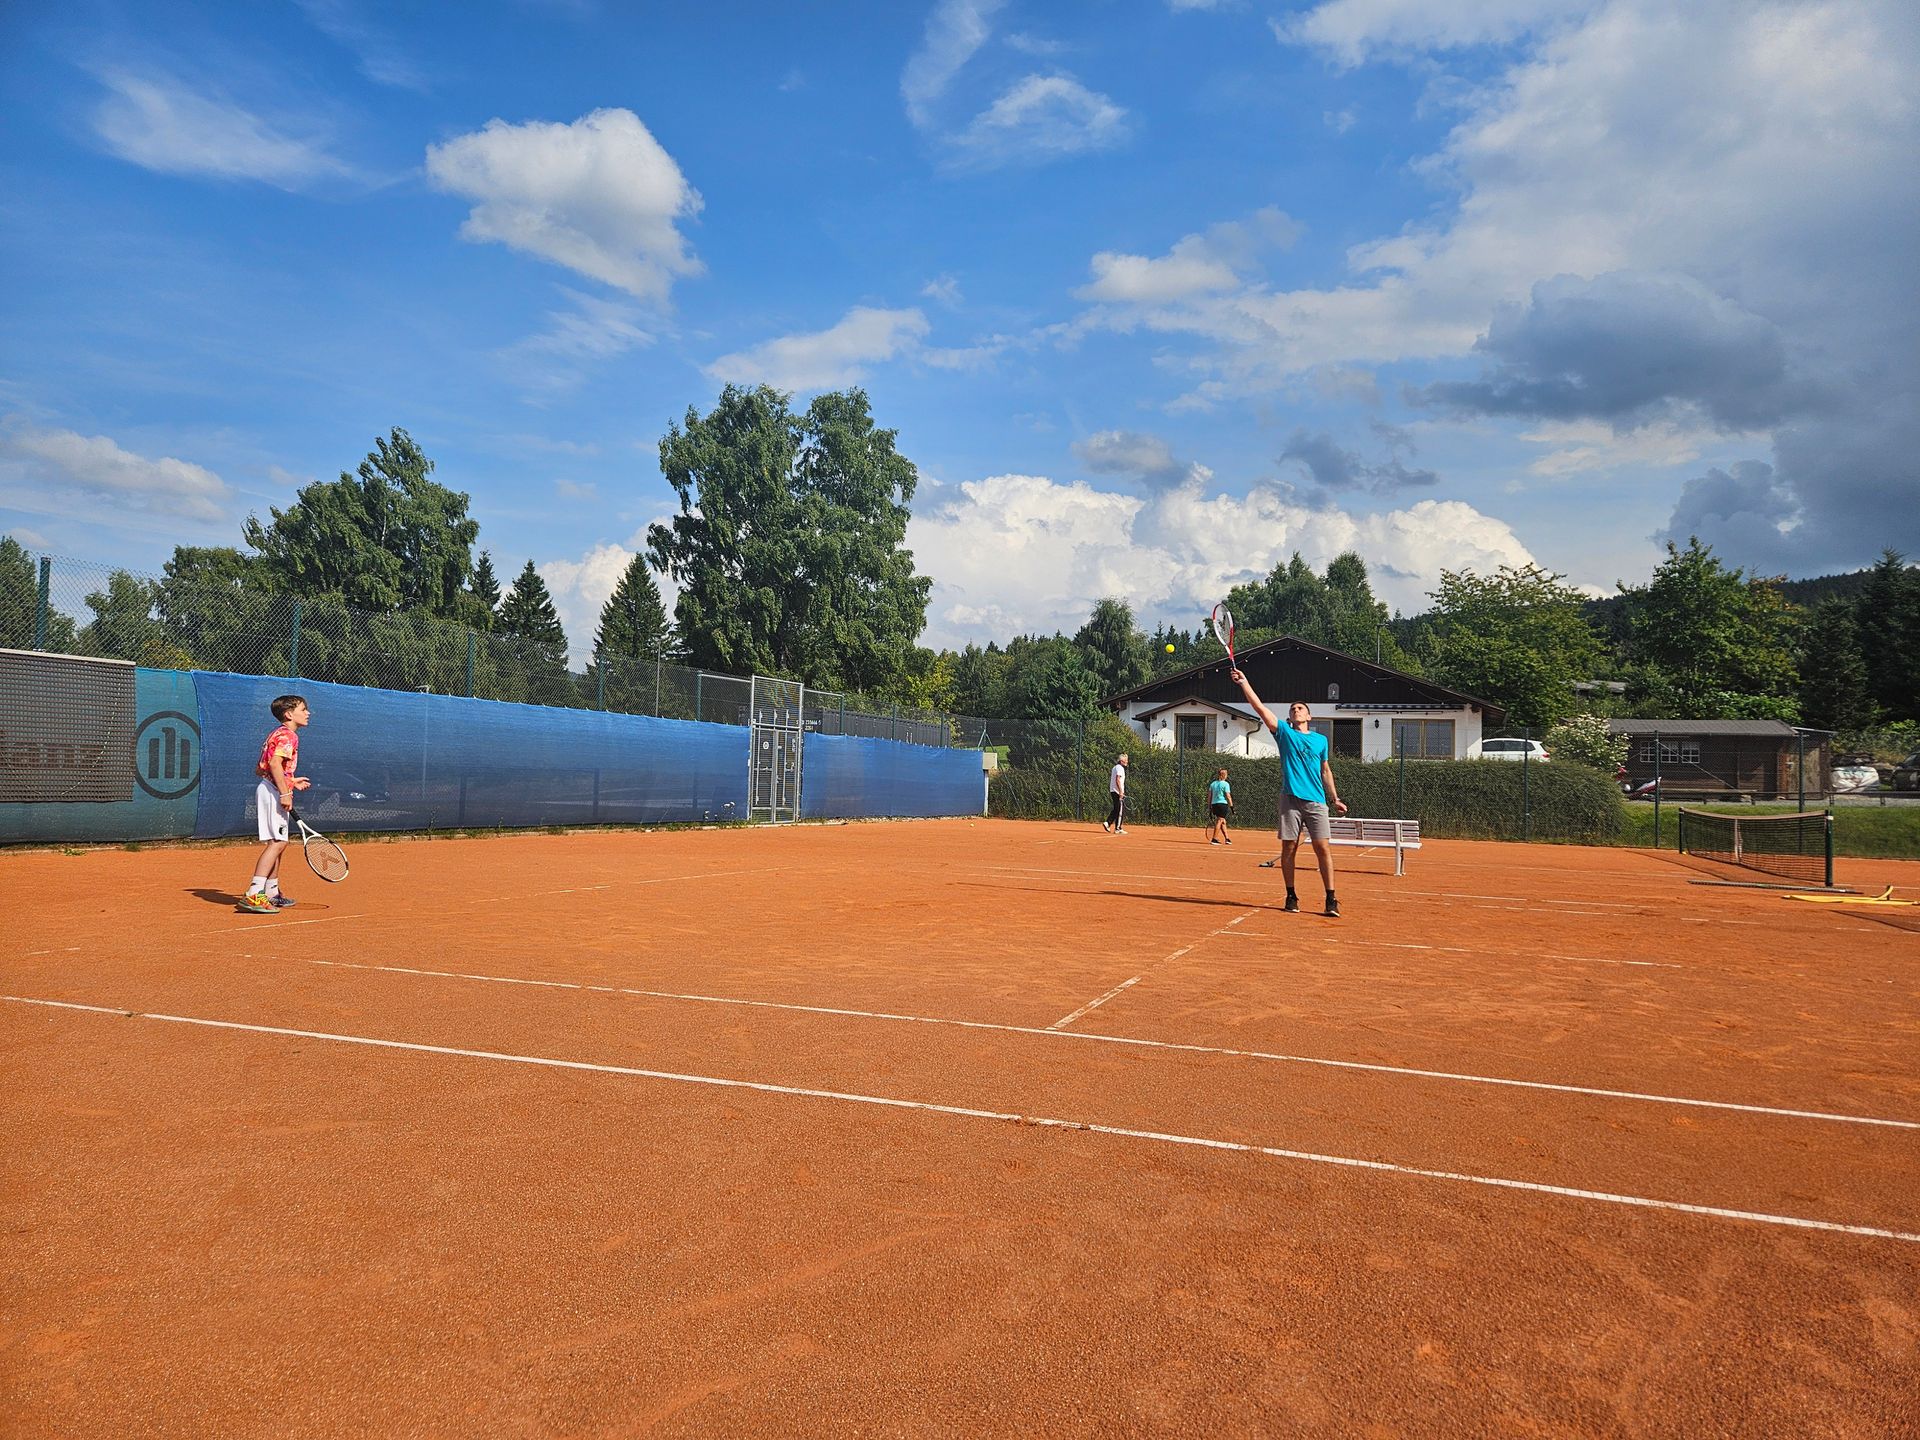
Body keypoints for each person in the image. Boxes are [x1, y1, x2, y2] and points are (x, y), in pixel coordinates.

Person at [1229, 669, 1347, 916]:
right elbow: (1260, 708)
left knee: (1322, 848)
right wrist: (1245, 683)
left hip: (1316, 801)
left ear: (1309, 715)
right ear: (1290, 717)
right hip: (1290, 800)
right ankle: (1291, 895)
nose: (1296, 710)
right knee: (1289, 849)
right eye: (1293, 709)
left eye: (1300, 708)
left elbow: (1325, 770)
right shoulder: (1284, 733)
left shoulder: (1320, 740)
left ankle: (1331, 898)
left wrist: (1334, 797)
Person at [237, 694, 312, 914]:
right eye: (303, 709)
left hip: (269, 788)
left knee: (279, 842)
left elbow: (261, 768)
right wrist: (284, 792)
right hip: (273, 792)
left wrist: (290, 781)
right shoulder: (289, 736)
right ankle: (253, 893)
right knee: (277, 844)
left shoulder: (276, 734)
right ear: (289, 714)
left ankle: (271, 892)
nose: (308, 713)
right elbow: (274, 764)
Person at [1103, 752, 1129, 834]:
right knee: (1120, 810)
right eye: (1125, 760)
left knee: (1116, 809)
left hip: (1113, 791)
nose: (1127, 761)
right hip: (1117, 791)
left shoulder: (1115, 767)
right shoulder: (1120, 768)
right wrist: (1121, 791)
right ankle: (1118, 828)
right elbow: (1117, 779)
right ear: (1121, 761)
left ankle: (1108, 823)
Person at [1207, 768, 1234, 844]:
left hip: (1214, 804)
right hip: (1222, 805)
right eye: (1226, 774)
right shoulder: (1226, 784)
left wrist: (1209, 806)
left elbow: (1209, 796)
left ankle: (1227, 839)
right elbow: (1228, 796)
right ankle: (1214, 839)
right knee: (1220, 820)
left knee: (1223, 821)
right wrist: (1231, 806)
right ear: (1223, 775)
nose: (1227, 775)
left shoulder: (1213, 784)